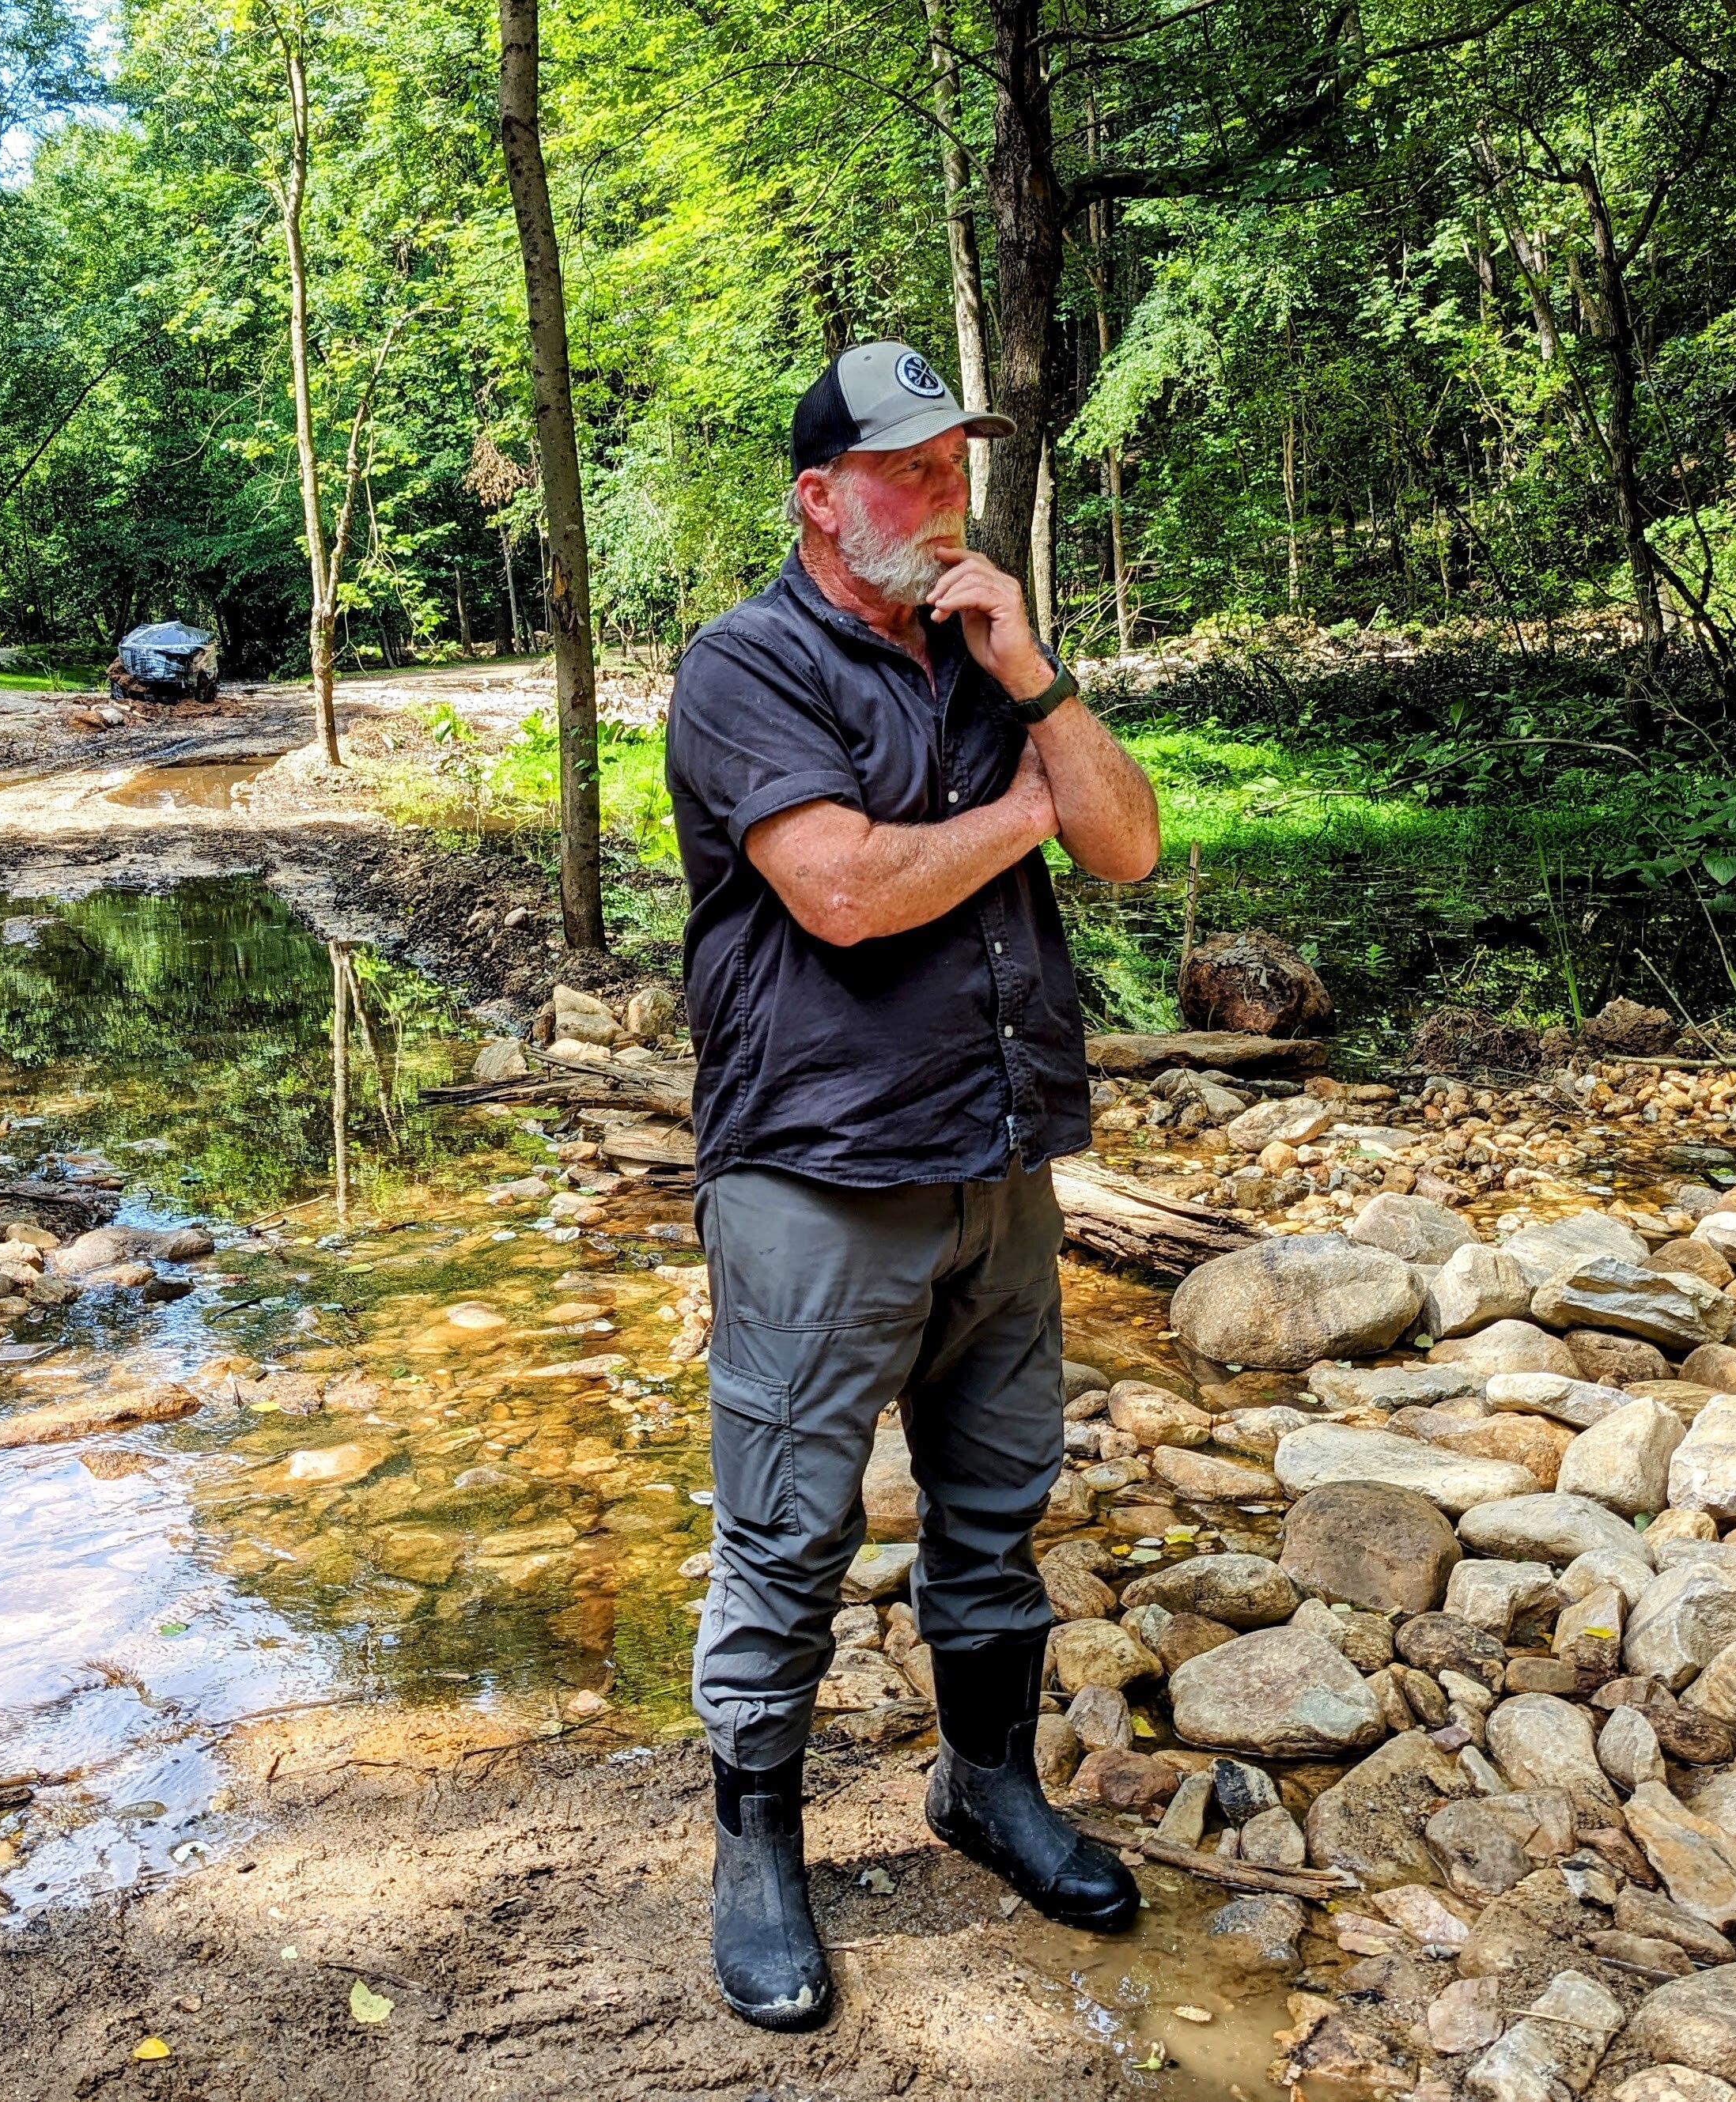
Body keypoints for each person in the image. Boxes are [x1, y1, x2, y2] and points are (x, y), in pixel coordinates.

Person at [665, 340, 1163, 2030]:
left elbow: (1127, 845)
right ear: (819, 498)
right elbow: (847, 896)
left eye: (953, 466)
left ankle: (986, 1787)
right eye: (905, 470)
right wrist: (1024, 813)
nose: (942, 498)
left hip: (998, 1157)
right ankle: (756, 1849)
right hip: (816, 1168)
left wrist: (1031, 685)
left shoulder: (977, 656)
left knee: (995, 1503)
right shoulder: (741, 667)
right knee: (788, 1533)